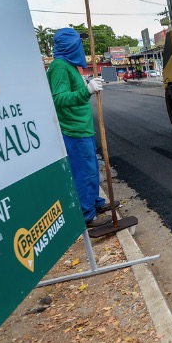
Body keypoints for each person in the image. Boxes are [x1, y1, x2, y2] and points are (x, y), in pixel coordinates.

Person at [47, 27, 113, 229]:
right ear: (70, 45)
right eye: (78, 43)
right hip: (73, 130)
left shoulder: (69, 66)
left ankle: (95, 204)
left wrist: (86, 84)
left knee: (92, 170)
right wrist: (86, 90)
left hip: (83, 129)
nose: (81, 47)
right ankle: (87, 216)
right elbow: (58, 98)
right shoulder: (59, 66)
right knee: (83, 174)